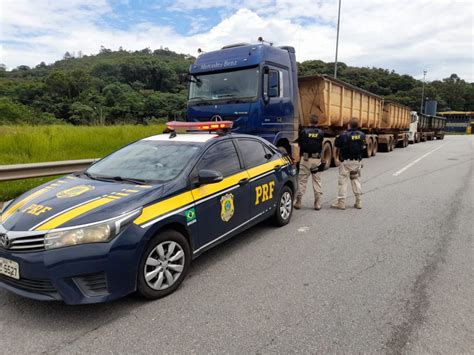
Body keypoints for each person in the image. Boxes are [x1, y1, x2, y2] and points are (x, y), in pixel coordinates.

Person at [331, 118, 366, 210]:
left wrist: (336, 158)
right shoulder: (362, 135)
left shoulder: (343, 135)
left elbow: (336, 147)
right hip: (356, 162)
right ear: (357, 126)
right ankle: (359, 202)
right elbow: (363, 147)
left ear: (349, 125)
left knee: (343, 182)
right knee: (355, 180)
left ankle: (341, 203)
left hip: (346, 162)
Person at [294, 114, 325, 210]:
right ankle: (317, 203)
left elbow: (300, 145)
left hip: (306, 159)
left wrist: (299, 157)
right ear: (317, 122)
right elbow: (320, 145)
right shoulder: (321, 133)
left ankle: (298, 202)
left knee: (302, 181)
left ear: (309, 121)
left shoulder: (303, 132)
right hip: (316, 160)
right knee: (317, 181)